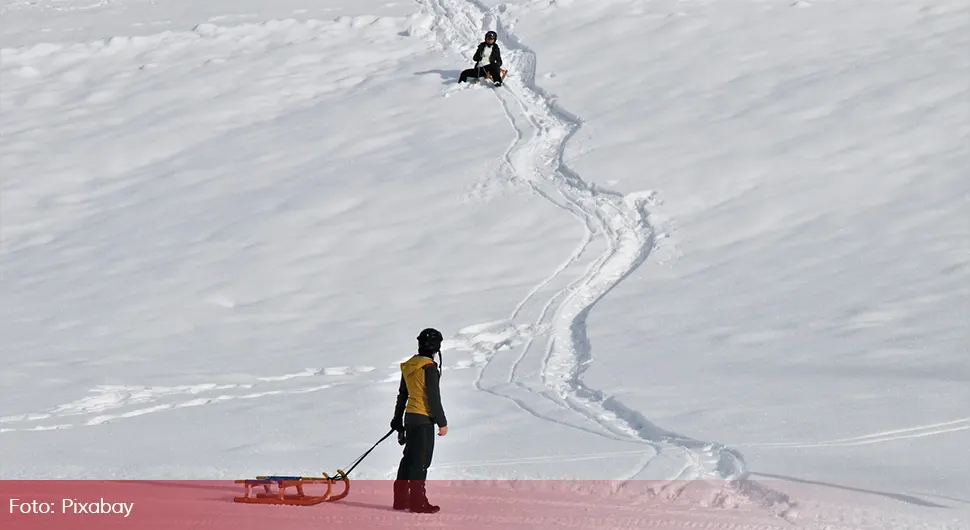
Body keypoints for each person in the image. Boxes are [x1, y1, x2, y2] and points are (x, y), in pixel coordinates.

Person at [390, 328, 448, 513]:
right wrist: (442, 422)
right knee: (421, 462)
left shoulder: (409, 365)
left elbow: (402, 395)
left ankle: (400, 500)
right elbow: (433, 397)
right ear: (436, 347)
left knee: (408, 458)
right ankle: (417, 502)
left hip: (410, 418)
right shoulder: (429, 368)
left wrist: (397, 420)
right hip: (424, 420)